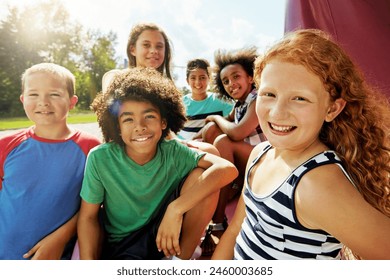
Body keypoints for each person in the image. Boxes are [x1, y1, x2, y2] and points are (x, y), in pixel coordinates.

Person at [212, 29, 390, 260]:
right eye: (269, 94)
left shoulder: (315, 185)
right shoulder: (259, 154)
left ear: (332, 109)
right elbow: (237, 229)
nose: (277, 112)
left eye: (299, 98)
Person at [77, 67, 238, 260]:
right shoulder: (100, 158)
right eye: (128, 119)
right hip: (124, 244)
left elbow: (227, 169)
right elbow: (88, 217)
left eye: (149, 116)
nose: (140, 126)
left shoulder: (172, 151)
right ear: (117, 127)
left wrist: (175, 209)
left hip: (167, 235)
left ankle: (180, 263)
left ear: (163, 122)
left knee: (201, 177)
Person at [0, 62, 101, 260]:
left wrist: (60, 239)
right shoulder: (6, 145)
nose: (43, 102)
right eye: (33, 94)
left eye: (54, 94)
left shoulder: (91, 148)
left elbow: (94, 208)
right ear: (22, 99)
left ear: (72, 102)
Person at [196, 47, 266, 256]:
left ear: (251, 78)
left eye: (236, 77)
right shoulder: (240, 104)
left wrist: (216, 117)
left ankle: (218, 222)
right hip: (248, 160)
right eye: (226, 81)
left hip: (265, 159)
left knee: (224, 141)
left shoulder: (257, 98)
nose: (231, 84)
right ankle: (226, 185)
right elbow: (215, 128)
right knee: (212, 131)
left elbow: (237, 132)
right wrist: (192, 140)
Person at [176, 58, 233, 141]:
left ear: (209, 79)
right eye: (193, 78)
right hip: (185, 148)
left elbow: (231, 126)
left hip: (213, 149)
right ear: (187, 81)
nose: (198, 82)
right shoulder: (179, 104)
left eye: (202, 77)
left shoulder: (223, 101)